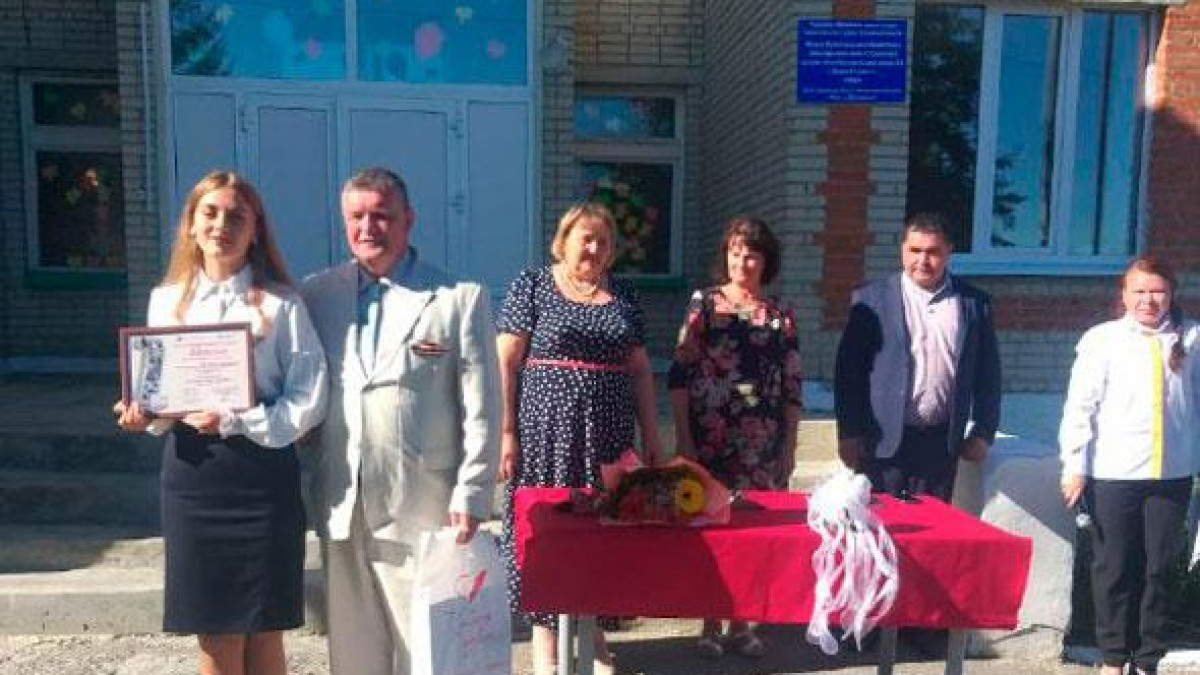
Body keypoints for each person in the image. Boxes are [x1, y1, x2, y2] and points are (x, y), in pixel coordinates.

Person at [114, 170, 329, 675]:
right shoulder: (166, 300)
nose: (222, 226)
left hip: (262, 474)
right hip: (195, 477)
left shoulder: (282, 302)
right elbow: (157, 388)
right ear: (191, 225)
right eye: (210, 213)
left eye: (237, 216)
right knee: (215, 632)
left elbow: (310, 394)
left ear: (255, 230)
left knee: (266, 627)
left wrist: (239, 419)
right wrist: (142, 413)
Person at [299, 167, 500, 675]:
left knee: (425, 647)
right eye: (357, 216)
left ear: (408, 220)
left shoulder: (457, 297)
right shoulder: (317, 295)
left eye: (381, 216)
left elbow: (482, 406)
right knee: (352, 651)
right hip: (342, 498)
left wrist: (473, 492)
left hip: (423, 503)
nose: (368, 227)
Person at [495, 202, 663, 675]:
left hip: (608, 435)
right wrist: (506, 432)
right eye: (585, 237)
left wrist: (652, 435)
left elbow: (641, 370)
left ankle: (595, 642)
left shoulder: (623, 292)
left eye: (603, 241)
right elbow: (505, 361)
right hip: (546, 434)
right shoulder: (532, 285)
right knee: (548, 532)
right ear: (563, 241)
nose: (594, 248)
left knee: (603, 531)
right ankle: (546, 648)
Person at [667, 216, 803, 659]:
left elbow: (792, 385)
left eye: (751, 254)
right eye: (735, 252)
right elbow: (680, 372)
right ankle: (709, 623)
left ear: (766, 261)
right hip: (710, 438)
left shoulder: (780, 314)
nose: (742, 262)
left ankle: (742, 622)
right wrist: (684, 438)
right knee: (713, 529)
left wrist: (790, 447)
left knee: (754, 533)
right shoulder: (705, 304)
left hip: (762, 443)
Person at [1060, 256, 1199, 675]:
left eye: (1157, 291)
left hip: (1171, 474)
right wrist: (1074, 464)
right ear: (1123, 295)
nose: (1148, 300)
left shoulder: (1192, 338)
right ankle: (1113, 657)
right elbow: (1080, 406)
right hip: (1113, 473)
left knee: (1160, 569)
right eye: (1139, 291)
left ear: (1171, 294)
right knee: (1114, 567)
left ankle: (1148, 658)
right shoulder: (1102, 340)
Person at [834, 211, 1001, 501]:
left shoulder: (973, 304)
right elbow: (849, 373)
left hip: (940, 445)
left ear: (949, 252)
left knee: (933, 525)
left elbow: (988, 374)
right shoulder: (871, 300)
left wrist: (984, 432)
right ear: (902, 249)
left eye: (933, 252)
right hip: (881, 442)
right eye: (914, 250)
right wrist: (848, 432)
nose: (922, 260)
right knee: (880, 524)